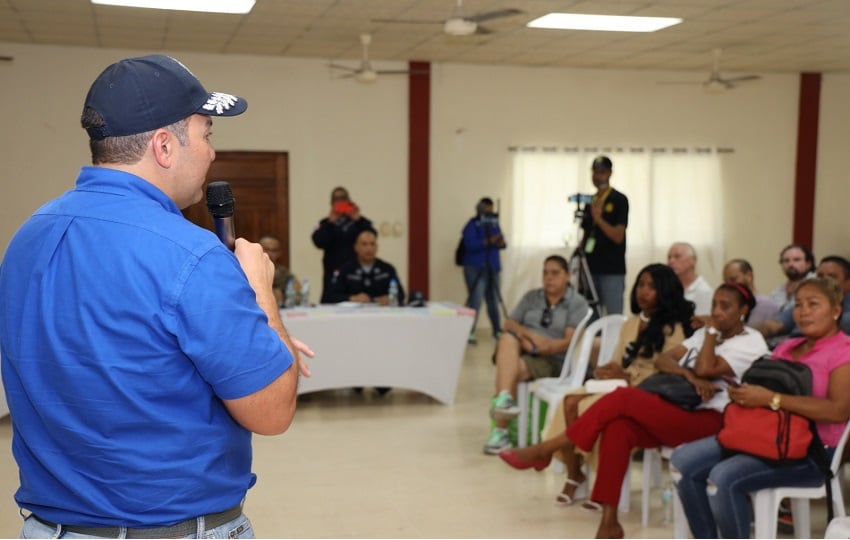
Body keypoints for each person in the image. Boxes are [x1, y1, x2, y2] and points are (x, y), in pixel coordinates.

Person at [0, 55, 311, 538]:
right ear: (165, 146)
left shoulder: (29, 237)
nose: (211, 153)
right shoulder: (192, 254)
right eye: (207, 134)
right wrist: (261, 297)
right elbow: (272, 411)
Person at [549, 283, 767, 538]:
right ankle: (609, 522)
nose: (717, 312)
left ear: (743, 311)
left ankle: (552, 445)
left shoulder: (751, 342)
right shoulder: (705, 334)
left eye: (725, 306)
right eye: (715, 305)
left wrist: (709, 332)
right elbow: (664, 360)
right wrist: (688, 373)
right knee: (618, 428)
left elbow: (706, 369)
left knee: (625, 398)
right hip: (684, 408)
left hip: (716, 420)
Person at [496, 264, 695, 506]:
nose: (644, 291)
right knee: (569, 401)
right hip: (622, 383)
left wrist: (625, 377)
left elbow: (666, 370)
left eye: (651, 287)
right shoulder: (631, 323)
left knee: (589, 408)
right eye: (641, 285)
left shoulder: (673, 327)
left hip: (648, 390)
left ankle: (571, 468)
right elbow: (620, 360)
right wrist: (608, 370)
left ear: (665, 291)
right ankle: (575, 474)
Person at [671, 276, 850, 539]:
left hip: (811, 452)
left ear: (836, 311)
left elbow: (838, 411)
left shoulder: (843, 353)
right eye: (798, 305)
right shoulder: (788, 347)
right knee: (683, 461)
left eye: (814, 304)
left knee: (722, 477)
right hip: (764, 435)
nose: (804, 311)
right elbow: (765, 390)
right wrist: (745, 393)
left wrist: (771, 398)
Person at [483, 255, 589, 454]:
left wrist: (544, 346)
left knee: (509, 368)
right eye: (545, 273)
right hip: (524, 348)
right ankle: (505, 401)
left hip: (551, 359)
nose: (549, 278)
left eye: (555, 273)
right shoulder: (532, 297)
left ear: (567, 276)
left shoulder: (576, 303)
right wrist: (529, 336)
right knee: (507, 338)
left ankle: (501, 430)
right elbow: (510, 323)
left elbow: (569, 342)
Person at [757, 255, 850, 342]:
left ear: (848, 282)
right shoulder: (804, 302)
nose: (823, 281)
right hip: (784, 349)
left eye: (832, 277)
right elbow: (773, 325)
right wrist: (746, 333)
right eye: (820, 276)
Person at [579, 155, 629, 317]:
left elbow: (618, 236)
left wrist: (598, 218)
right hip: (590, 269)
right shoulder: (590, 201)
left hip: (612, 270)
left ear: (609, 173)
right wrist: (580, 265)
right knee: (590, 316)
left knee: (613, 316)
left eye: (602, 172)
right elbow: (586, 235)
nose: (597, 176)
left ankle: (614, 343)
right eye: (594, 172)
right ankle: (593, 343)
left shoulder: (619, 200)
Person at [311, 187, 374, 303]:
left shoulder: (359, 222)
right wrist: (330, 222)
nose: (340, 201)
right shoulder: (325, 223)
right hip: (332, 274)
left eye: (343, 198)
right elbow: (318, 242)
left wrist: (358, 219)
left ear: (349, 200)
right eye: (337, 199)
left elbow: (372, 237)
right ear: (331, 203)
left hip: (356, 275)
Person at [461, 197, 506, 344]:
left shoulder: (494, 224)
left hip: (493, 267)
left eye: (492, 209)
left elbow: (502, 243)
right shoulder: (472, 224)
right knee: (476, 300)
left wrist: (499, 241)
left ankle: (497, 330)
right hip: (475, 268)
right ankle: (470, 332)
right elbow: (470, 245)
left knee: (493, 300)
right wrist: (489, 241)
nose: (491, 212)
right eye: (488, 209)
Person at [327, 228, 405, 305]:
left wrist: (389, 298)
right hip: (353, 315)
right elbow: (332, 296)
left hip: (382, 313)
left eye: (372, 244)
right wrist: (352, 298)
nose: (369, 248)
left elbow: (401, 295)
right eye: (364, 244)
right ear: (356, 247)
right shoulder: (345, 269)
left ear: (377, 247)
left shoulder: (387, 269)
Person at [722, 258, 779, 326]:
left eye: (733, 279)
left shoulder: (764, 304)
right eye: (726, 282)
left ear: (749, 276)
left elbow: (748, 334)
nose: (729, 285)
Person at [668, 242, 713, 315]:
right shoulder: (669, 287)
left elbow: (704, 323)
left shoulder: (704, 291)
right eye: (669, 257)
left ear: (693, 260)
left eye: (677, 256)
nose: (671, 261)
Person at [769, 243, 816, 311]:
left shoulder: (817, 285)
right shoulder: (777, 292)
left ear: (808, 264)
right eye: (786, 261)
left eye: (796, 260)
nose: (790, 264)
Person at [259, 234, 301, 307]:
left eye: (274, 250)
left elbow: (298, 294)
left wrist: (283, 296)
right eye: (266, 249)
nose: (269, 253)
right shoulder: (248, 269)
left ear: (279, 253)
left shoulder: (284, 272)